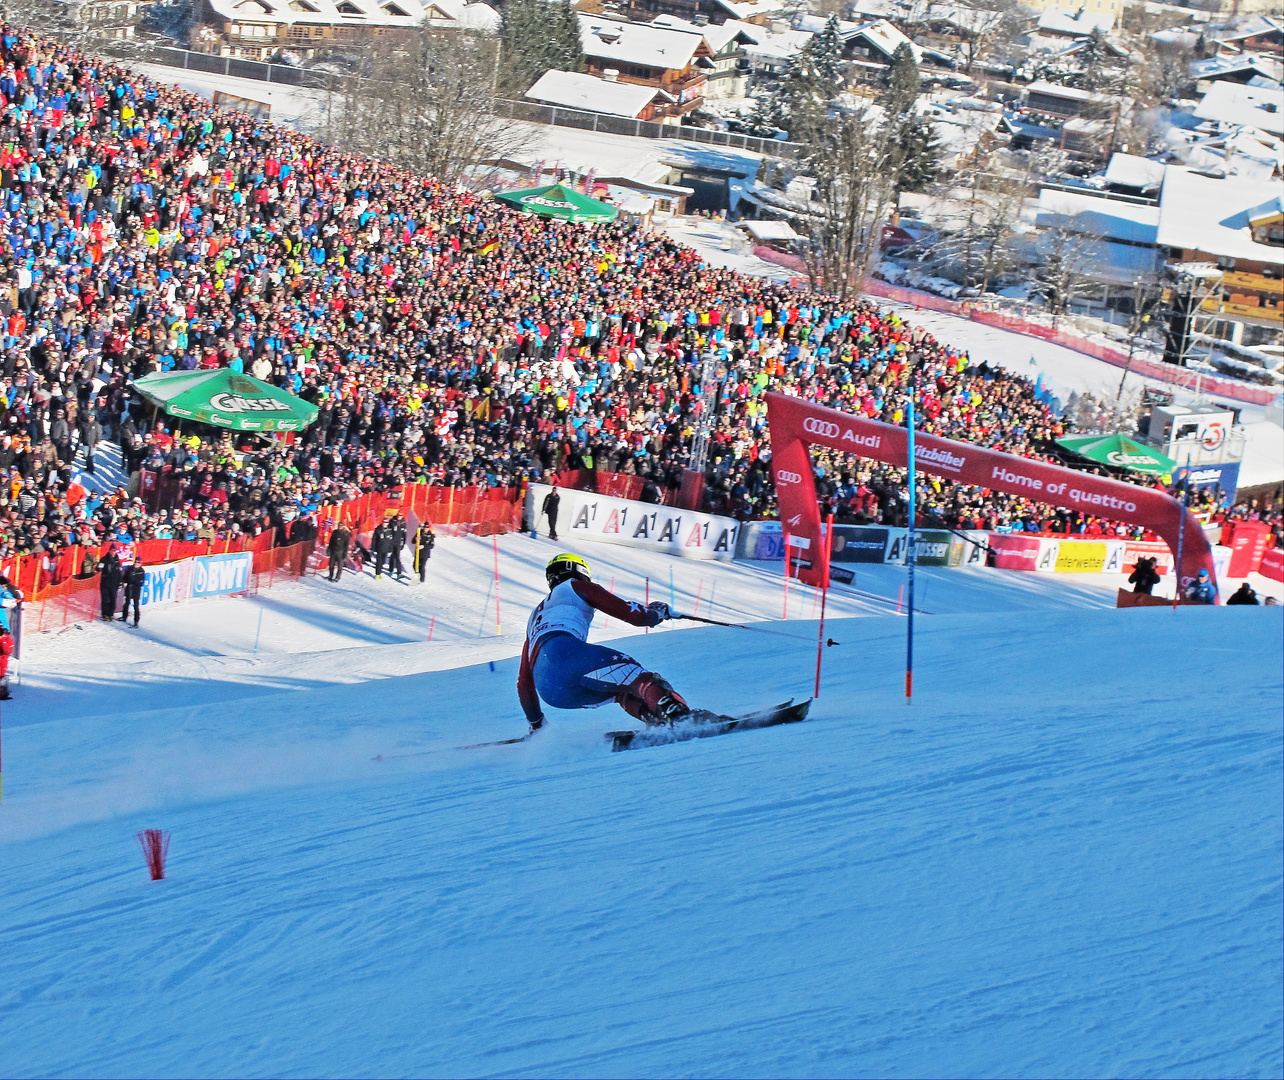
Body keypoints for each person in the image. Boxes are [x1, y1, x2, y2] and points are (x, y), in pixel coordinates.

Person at [517, 553, 687, 734]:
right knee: (639, 678)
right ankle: (681, 718)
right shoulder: (575, 586)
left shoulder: (534, 616)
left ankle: (659, 723)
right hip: (566, 656)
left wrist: (536, 724)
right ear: (581, 571)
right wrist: (656, 613)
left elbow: (524, 682)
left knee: (620, 690)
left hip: (551, 690)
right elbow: (633, 615)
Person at [0, 575, 20, 699]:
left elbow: (12, 601)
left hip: (2, 630)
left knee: (3, 656)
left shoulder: (2, 591)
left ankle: (2, 687)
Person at [98, 547, 122, 622]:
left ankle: (110, 614)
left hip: (114, 583)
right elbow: (99, 568)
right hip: (105, 582)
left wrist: (120, 581)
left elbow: (119, 572)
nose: (113, 552)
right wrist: (99, 568)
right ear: (109, 551)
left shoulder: (117, 560)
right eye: (112, 551)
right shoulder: (104, 559)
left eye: (114, 551)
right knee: (105, 599)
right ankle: (104, 614)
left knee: (113, 599)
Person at [120, 559, 145, 627]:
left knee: (136, 605)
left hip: (136, 589)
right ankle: (124, 617)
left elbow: (141, 582)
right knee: (126, 603)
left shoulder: (141, 571)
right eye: (136, 562)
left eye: (138, 562)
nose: (137, 563)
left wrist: (133, 581)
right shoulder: (130, 568)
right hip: (129, 588)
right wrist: (124, 582)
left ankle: (136, 621)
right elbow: (125, 577)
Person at [388, 514, 407, 579]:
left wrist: (403, 543)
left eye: (401, 515)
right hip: (392, 542)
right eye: (399, 515)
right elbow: (389, 531)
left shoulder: (403, 523)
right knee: (392, 556)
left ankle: (399, 572)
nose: (400, 517)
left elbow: (404, 534)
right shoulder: (392, 521)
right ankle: (391, 570)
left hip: (398, 542)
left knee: (397, 557)